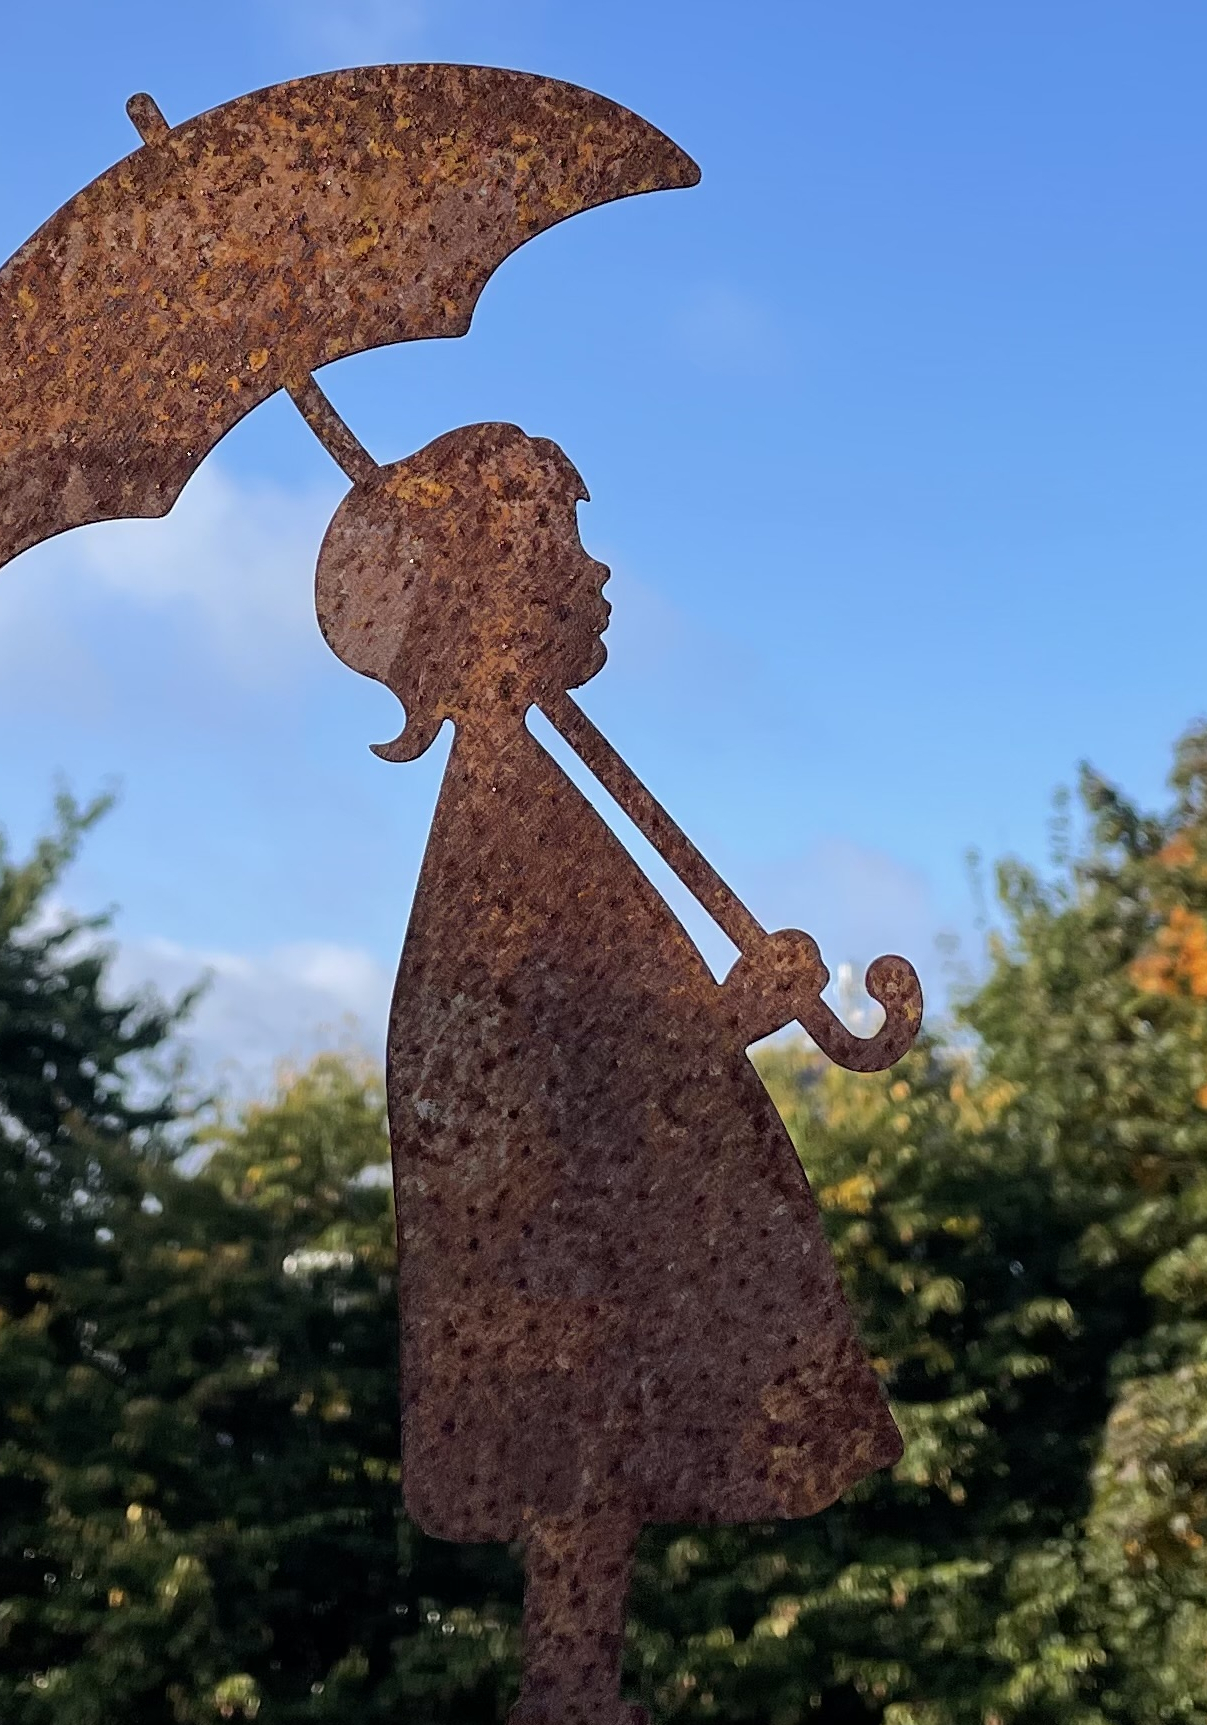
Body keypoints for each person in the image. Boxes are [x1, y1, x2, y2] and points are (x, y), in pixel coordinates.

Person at [317, 421, 904, 1725]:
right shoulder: (498, 808)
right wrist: (724, 1019)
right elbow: (527, 1054)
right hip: (556, 1278)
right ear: (479, 580)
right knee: (582, 1492)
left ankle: (575, 1694)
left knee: (597, 1508)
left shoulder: (536, 783)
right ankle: (567, 1700)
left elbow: (578, 1027)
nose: (592, 566)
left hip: (586, 1269)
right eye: (552, 531)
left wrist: (716, 1017)